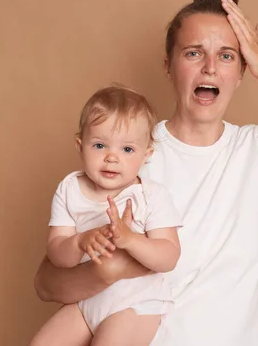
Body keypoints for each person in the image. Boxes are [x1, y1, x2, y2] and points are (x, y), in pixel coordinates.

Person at [33, 0, 258, 345]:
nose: (210, 67)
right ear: (168, 66)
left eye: (227, 56)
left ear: (241, 72)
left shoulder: (256, 149)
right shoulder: (130, 154)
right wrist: (112, 269)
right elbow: (47, 282)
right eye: (193, 53)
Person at [30, 86, 182, 346]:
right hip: (87, 300)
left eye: (127, 150)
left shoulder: (150, 196)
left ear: (146, 155)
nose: (111, 158)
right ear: (80, 146)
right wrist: (78, 242)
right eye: (100, 145)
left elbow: (169, 256)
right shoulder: (70, 189)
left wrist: (131, 239)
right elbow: (56, 254)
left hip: (135, 303)